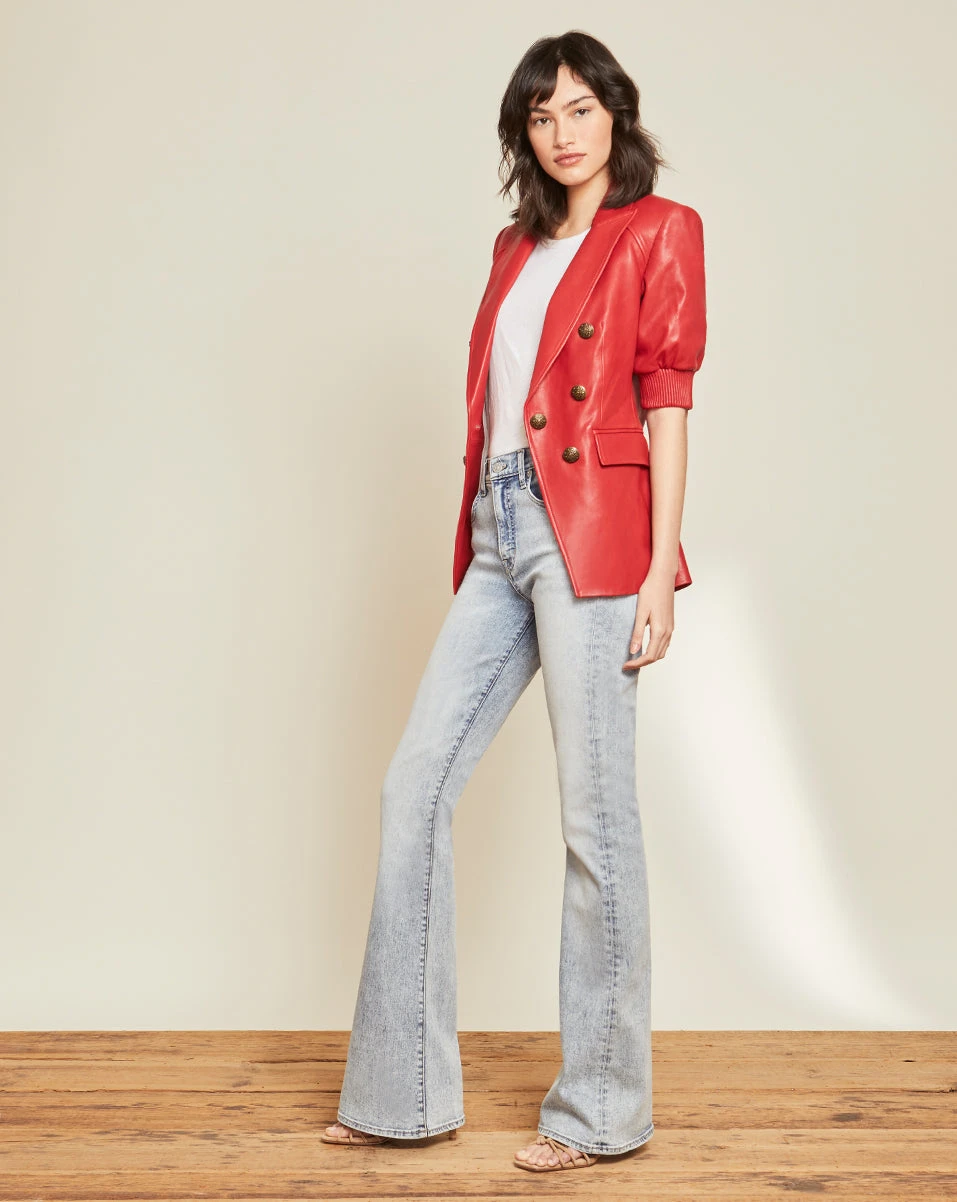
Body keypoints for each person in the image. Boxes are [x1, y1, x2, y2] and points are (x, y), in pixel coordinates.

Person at [322, 29, 707, 1174]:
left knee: (597, 821)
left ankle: (600, 1109)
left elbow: (666, 402)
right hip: (499, 526)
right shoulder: (514, 246)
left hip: (594, 536)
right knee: (413, 787)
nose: (562, 132)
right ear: (522, 134)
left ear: (616, 114)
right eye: (541, 116)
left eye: (581, 109)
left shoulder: (660, 230)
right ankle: (399, 1093)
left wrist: (659, 567)